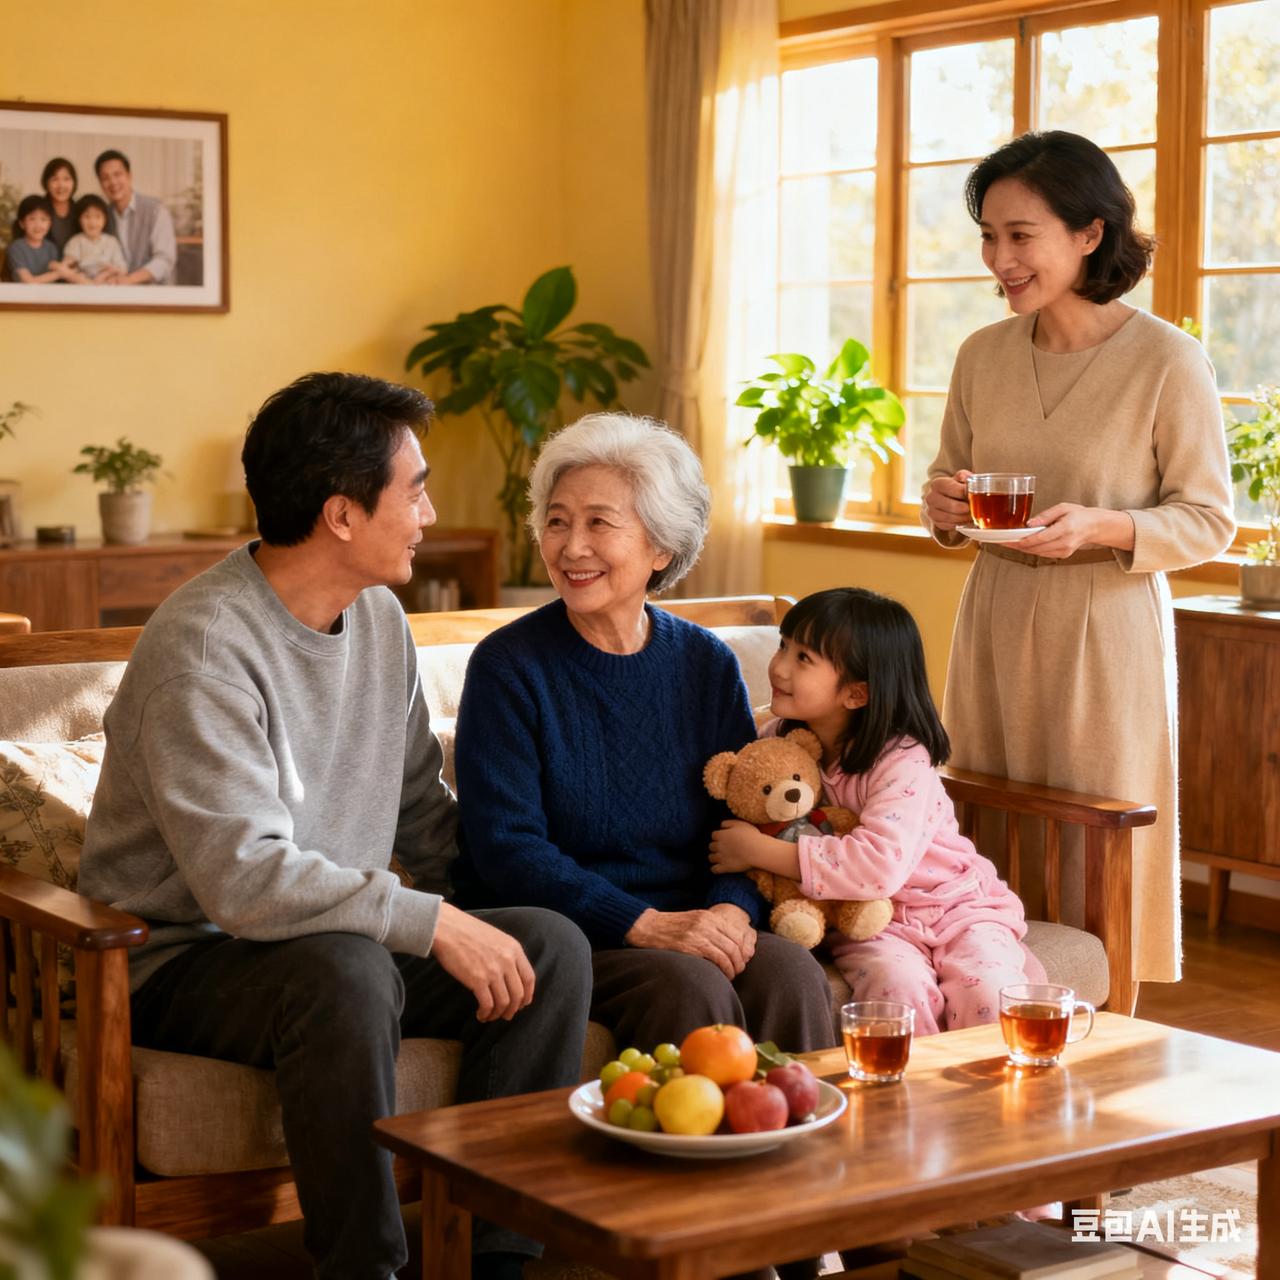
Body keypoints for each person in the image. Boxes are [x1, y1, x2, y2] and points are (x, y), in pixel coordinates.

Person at [78, 372, 593, 1280]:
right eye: (415, 489)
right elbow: (245, 882)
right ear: (342, 515)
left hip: (330, 939)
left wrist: (514, 901)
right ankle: (365, 1268)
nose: (430, 513)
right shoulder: (204, 650)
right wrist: (434, 924)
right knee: (347, 970)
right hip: (180, 958)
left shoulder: (379, 618)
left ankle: (495, 1260)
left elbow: (422, 810)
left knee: (547, 948)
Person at [920, 131, 1234, 988]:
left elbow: (1210, 521)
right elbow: (949, 482)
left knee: (1098, 844)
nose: (1001, 258)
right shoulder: (981, 355)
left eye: (1022, 235)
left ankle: (1108, 1025)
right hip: (994, 618)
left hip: (1106, 628)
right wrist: (942, 509)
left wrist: (1105, 527)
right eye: (990, 236)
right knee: (984, 821)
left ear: (1090, 233)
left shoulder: (1168, 361)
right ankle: (983, 1009)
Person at [452, 413, 837, 1057]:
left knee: (790, 972)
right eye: (557, 521)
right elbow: (507, 848)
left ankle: (810, 1128)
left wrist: (729, 911)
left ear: (661, 547)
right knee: (688, 988)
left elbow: (747, 815)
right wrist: (642, 923)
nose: (571, 547)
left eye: (599, 523)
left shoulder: (705, 664)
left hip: (692, 915)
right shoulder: (509, 666)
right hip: (570, 933)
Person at [708, 587, 1044, 1035]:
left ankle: (987, 1082)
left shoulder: (902, 759)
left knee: (988, 995)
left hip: (956, 907)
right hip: (867, 922)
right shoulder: (775, 742)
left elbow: (877, 864)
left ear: (857, 694)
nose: (779, 667)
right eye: (783, 645)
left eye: (803, 658)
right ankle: (908, 1084)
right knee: (895, 994)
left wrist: (757, 851)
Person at [93, 148, 176, 284]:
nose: (113, 182)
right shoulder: (101, 216)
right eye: (105, 178)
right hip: (116, 291)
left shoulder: (156, 210)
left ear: (129, 176)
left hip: (154, 292)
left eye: (117, 174)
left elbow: (164, 260)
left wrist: (129, 280)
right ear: (100, 183)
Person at [5, 195, 76, 283]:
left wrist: (63, 267)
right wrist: (60, 273)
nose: (38, 225)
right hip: (21, 292)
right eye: (32, 219)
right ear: (22, 223)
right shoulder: (16, 248)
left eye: (43, 219)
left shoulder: (51, 248)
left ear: (49, 224)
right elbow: (28, 282)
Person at [61, 194, 127, 283]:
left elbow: (123, 269)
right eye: (87, 217)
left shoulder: (112, 242)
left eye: (98, 217)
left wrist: (110, 272)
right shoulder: (76, 241)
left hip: (107, 283)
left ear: (105, 219)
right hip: (82, 283)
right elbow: (67, 266)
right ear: (79, 219)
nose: (92, 222)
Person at [40, 156, 78, 252]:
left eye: (66, 179)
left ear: (74, 183)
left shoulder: (81, 210)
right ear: (46, 182)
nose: (61, 185)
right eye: (55, 179)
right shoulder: (36, 209)